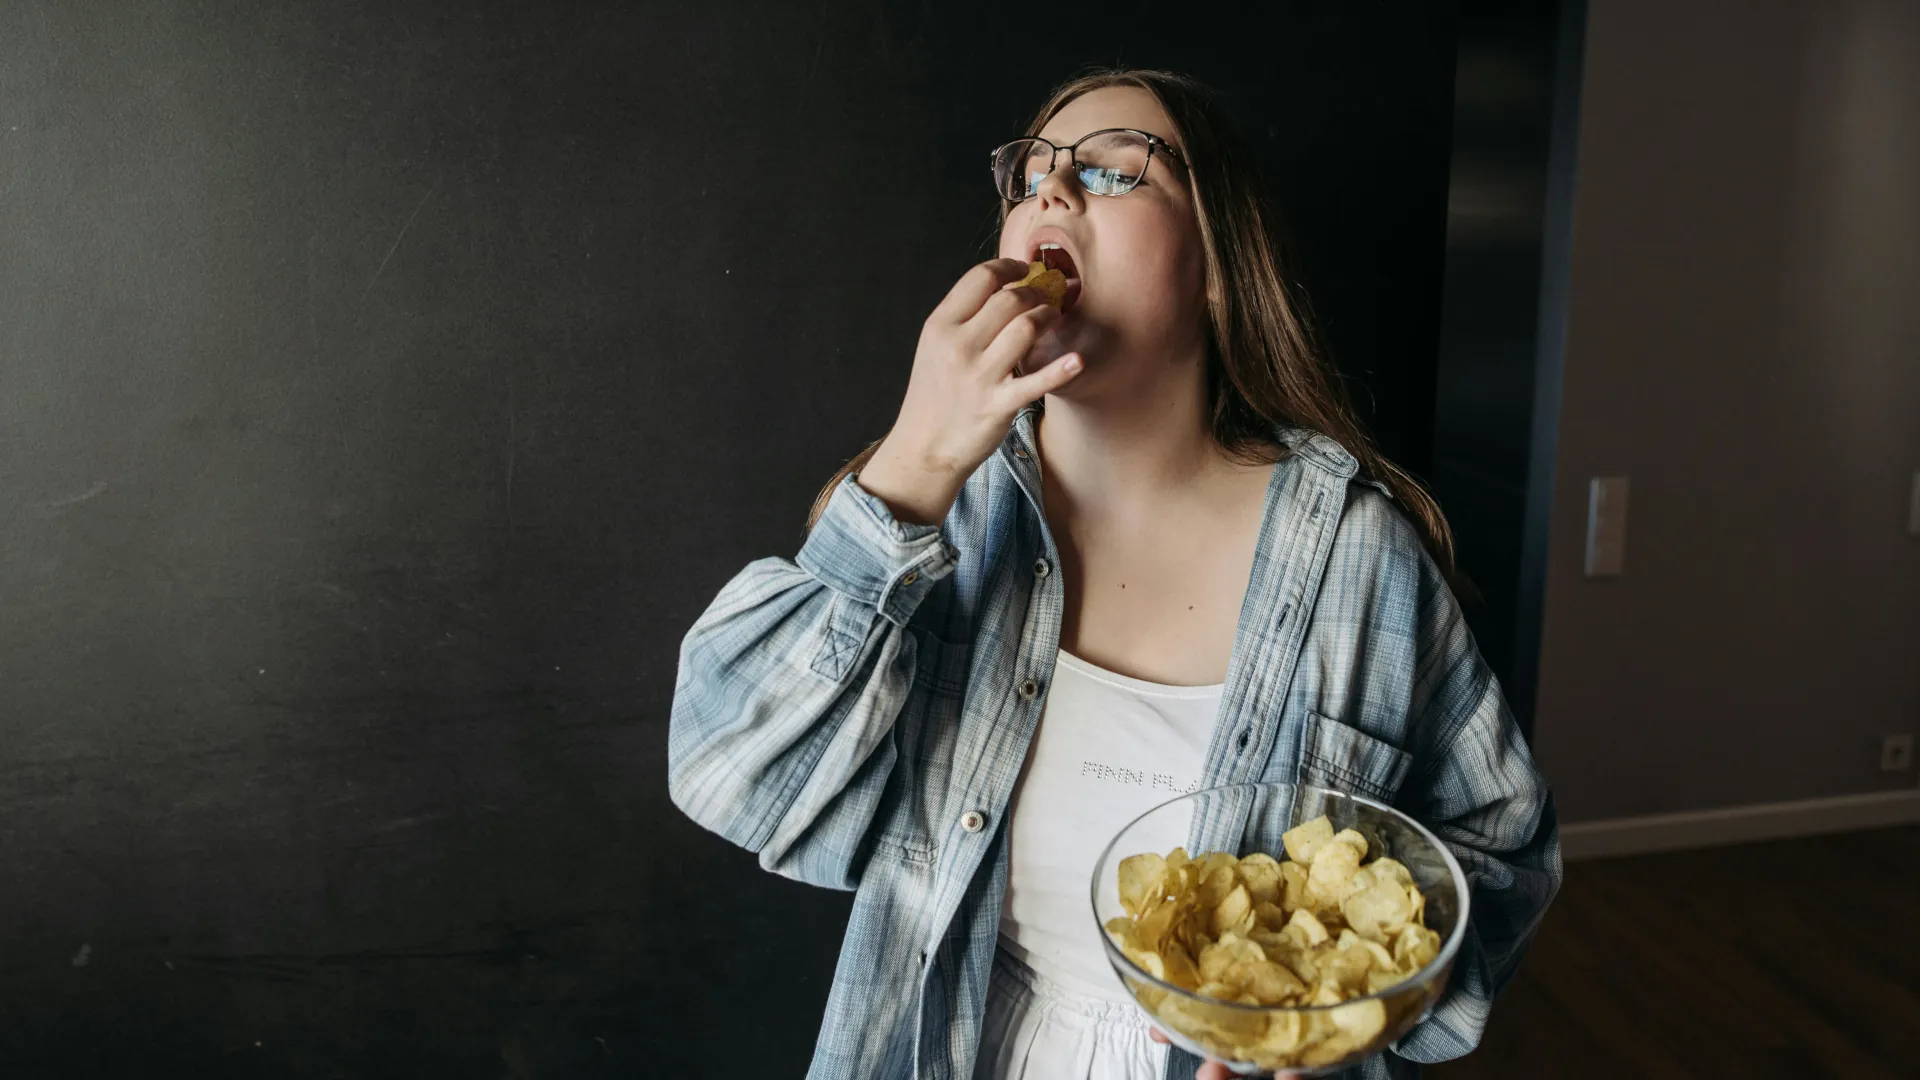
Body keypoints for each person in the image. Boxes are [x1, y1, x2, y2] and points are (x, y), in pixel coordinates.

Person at [668, 67, 1560, 1080]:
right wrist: (915, 454)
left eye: (1110, 171)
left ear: (1218, 265)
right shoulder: (930, 515)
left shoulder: (1362, 557)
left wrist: (1333, 1025)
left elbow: (1498, 851)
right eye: (1030, 175)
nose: (1051, 193)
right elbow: (728, 780)